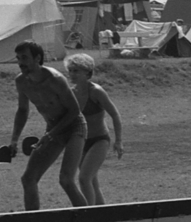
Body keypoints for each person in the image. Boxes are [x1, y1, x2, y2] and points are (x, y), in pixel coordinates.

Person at [7, 41, 87, 210]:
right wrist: (14, 140)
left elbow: (74, 110)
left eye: (25, 58)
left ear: (37, 58)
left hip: (74, 126)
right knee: (28, 179)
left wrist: (50, 135)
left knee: (66, 179)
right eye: (18, 58)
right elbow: (22, 110)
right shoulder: (21, 82)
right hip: (53, 129)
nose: (21, 63)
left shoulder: (55, 79)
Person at [64, 53, 124, 204]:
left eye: (76, 71)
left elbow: (115, 115)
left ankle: (88, 215)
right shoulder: (71, 93)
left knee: (84, 179)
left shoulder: (96, 91)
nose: (72, 74)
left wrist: (119, 141)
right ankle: (103, 217)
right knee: (92, 183)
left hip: (99, 140)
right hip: (80, 141)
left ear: (88, 73)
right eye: (70, 70)